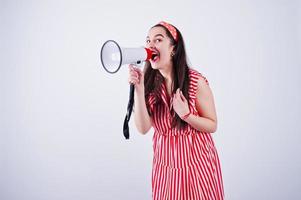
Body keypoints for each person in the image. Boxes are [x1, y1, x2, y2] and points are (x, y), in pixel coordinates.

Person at [128, 21, 224, 200]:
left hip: (196, 166)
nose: (150, 45)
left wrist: (187, 115)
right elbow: (142, 128)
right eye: (148, 41)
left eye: (158, 40)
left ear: (173, 48)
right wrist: (139, 89)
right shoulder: (149, 82)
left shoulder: (196, 81)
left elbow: (212, 125)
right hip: (165, 168)